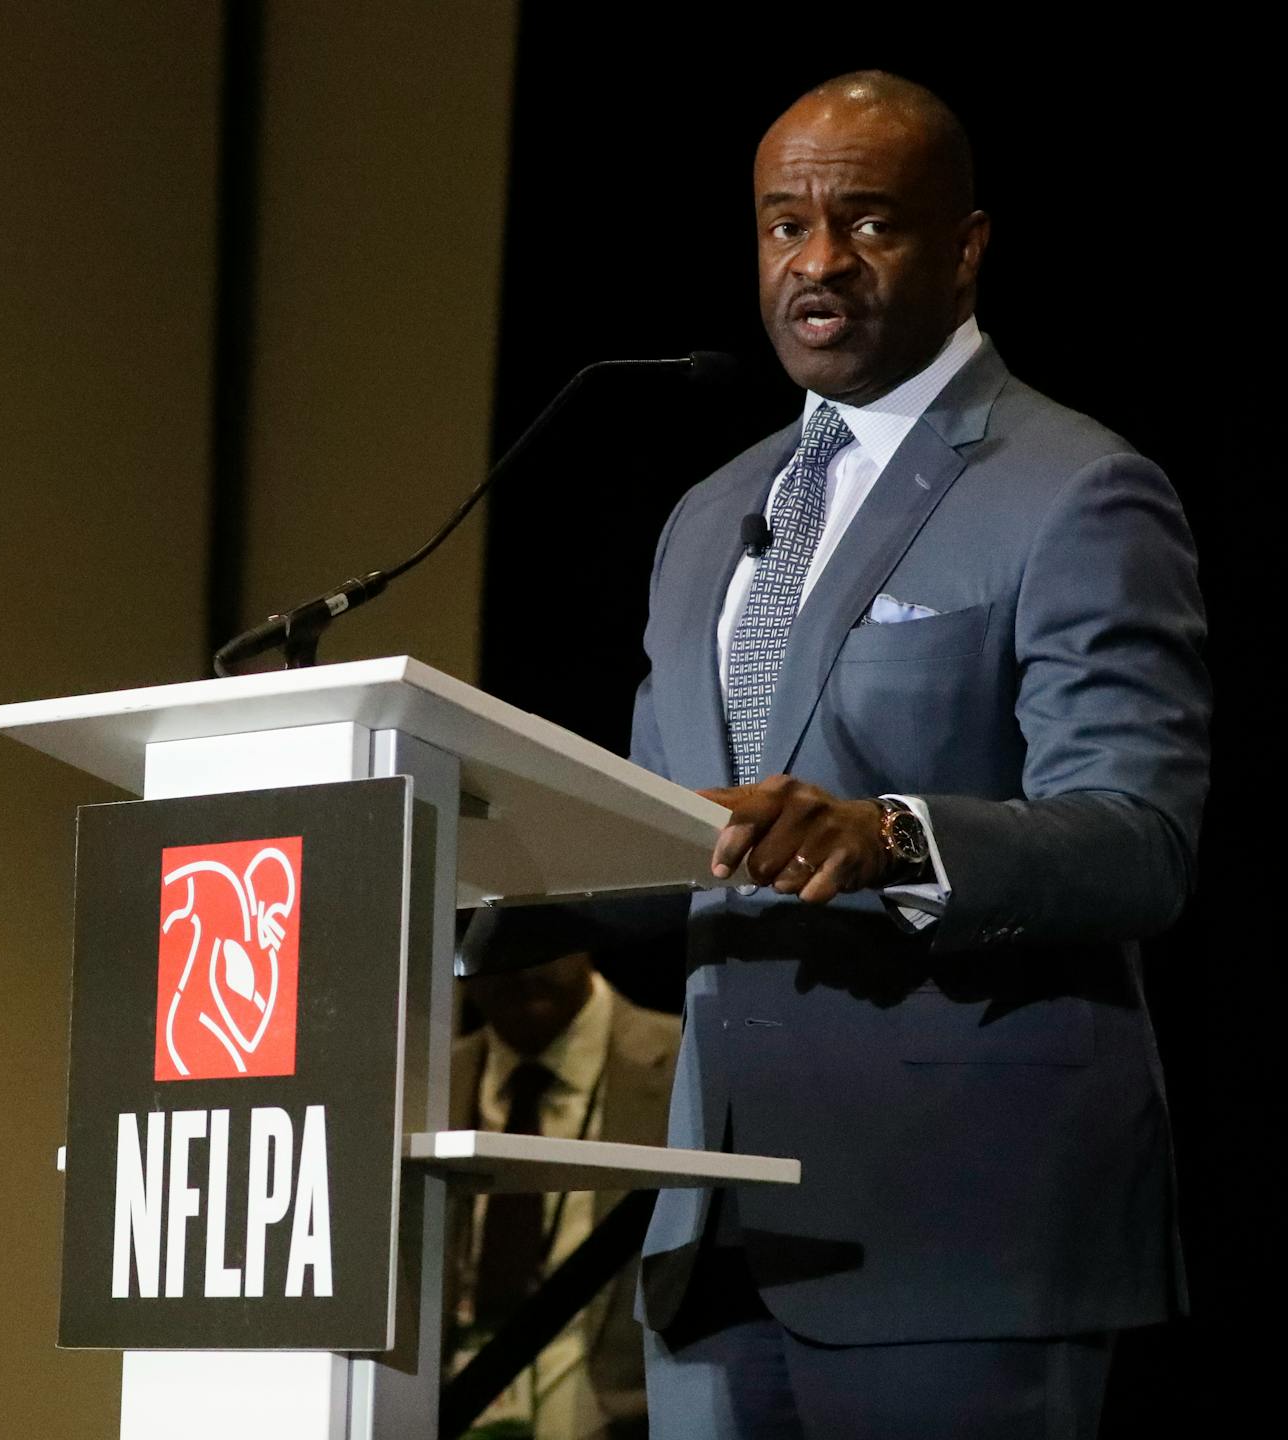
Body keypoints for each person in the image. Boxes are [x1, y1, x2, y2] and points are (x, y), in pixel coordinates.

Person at [627, 71, 1209, 1437]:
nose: (817, 262)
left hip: (958, 1230)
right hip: (713, 1237)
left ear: (967, 246)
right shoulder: (708, 516)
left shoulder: (1074, 488)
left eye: (867, 221)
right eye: (784, 226)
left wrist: (890, 834)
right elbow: (653, 835)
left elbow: (1143, 836)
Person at [447, 940, 677, 1440]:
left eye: (535, 930)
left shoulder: (685, 1063)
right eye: (490, 934)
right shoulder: (426, 1083)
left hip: (633, 1421)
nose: (520, 963)